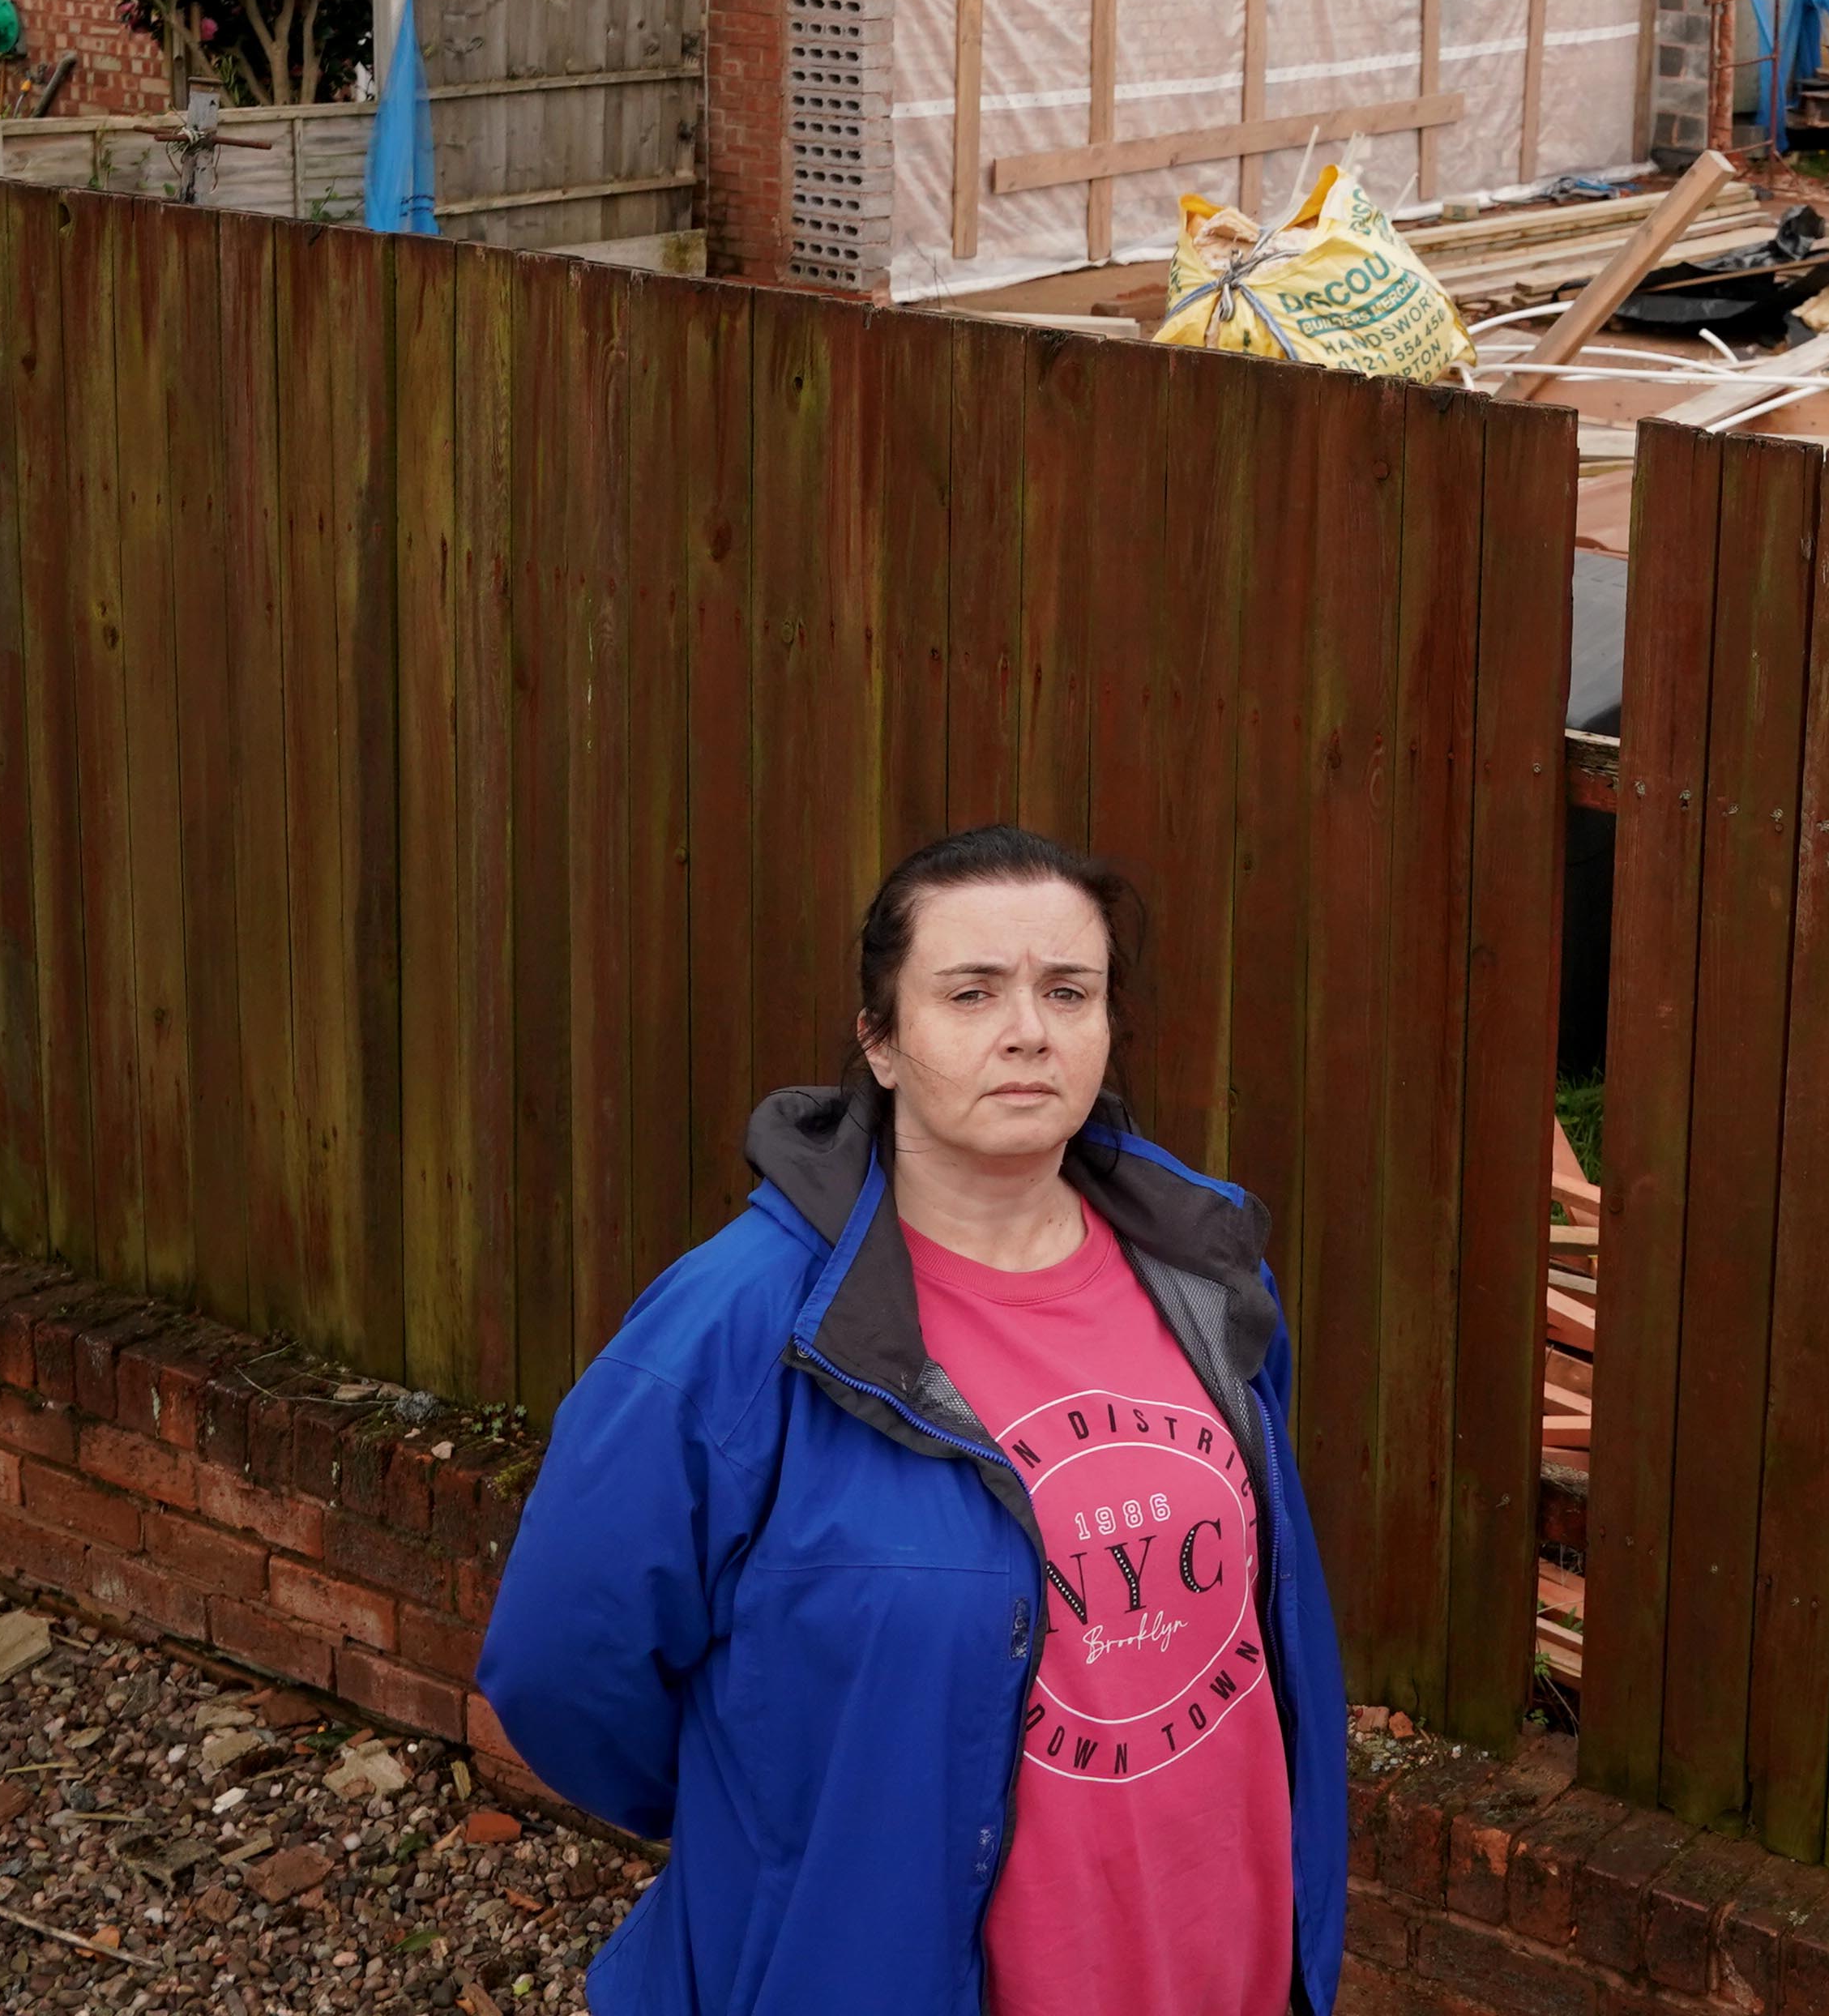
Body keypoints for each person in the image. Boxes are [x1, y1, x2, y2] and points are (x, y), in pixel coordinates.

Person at [481, 827, 1348, 2016]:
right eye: (971, 992)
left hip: (1218, 1959)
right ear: (881, 1039)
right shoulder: (737, 1329)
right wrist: (796, 1841)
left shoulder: (1203, 1271)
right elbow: (558, 1667)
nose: (1028, 1029)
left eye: (1067, 991)